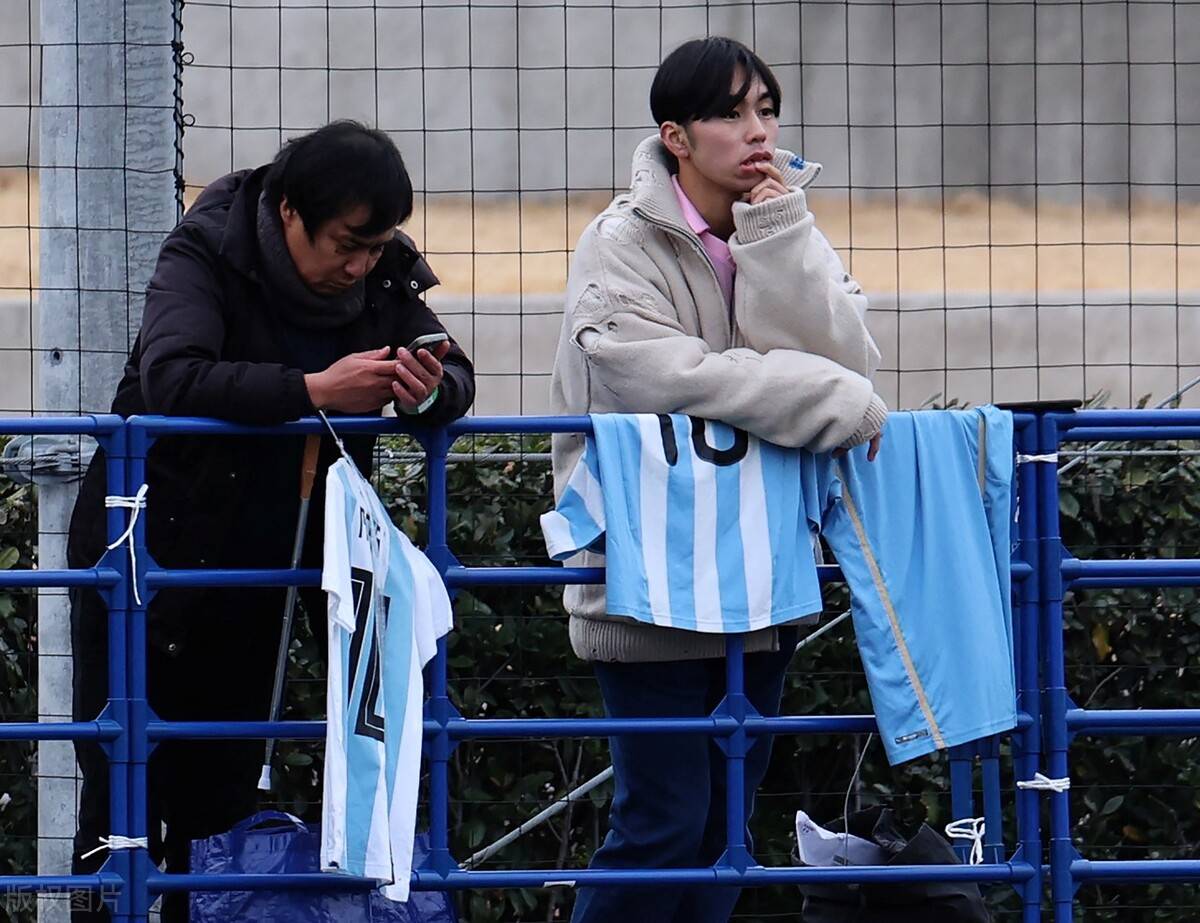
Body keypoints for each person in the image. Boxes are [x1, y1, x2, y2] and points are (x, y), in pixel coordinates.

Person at [66, 120, 474, 922]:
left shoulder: (382, 274)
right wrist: (316, 389)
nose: (362, 265)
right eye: (347, 245)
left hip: (271, 558)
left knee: (217, 790)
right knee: (119, 782)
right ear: (289, 212)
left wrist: (428, 390)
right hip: (148, 548)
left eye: (377, 245)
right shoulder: (205, 249)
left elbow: (454, 370)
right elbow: (174, 377)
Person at [549, 37, 886, 922]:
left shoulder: (781, 220)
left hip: (763, 569)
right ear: (676, 136)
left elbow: (851, 359)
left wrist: (780, 239)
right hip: (647, 578)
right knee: (664, 822)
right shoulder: (620, 244)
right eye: (731, 113)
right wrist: (824, 397)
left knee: (726, 833)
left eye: (767, 109)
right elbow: (668, 375)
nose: (757, 131)